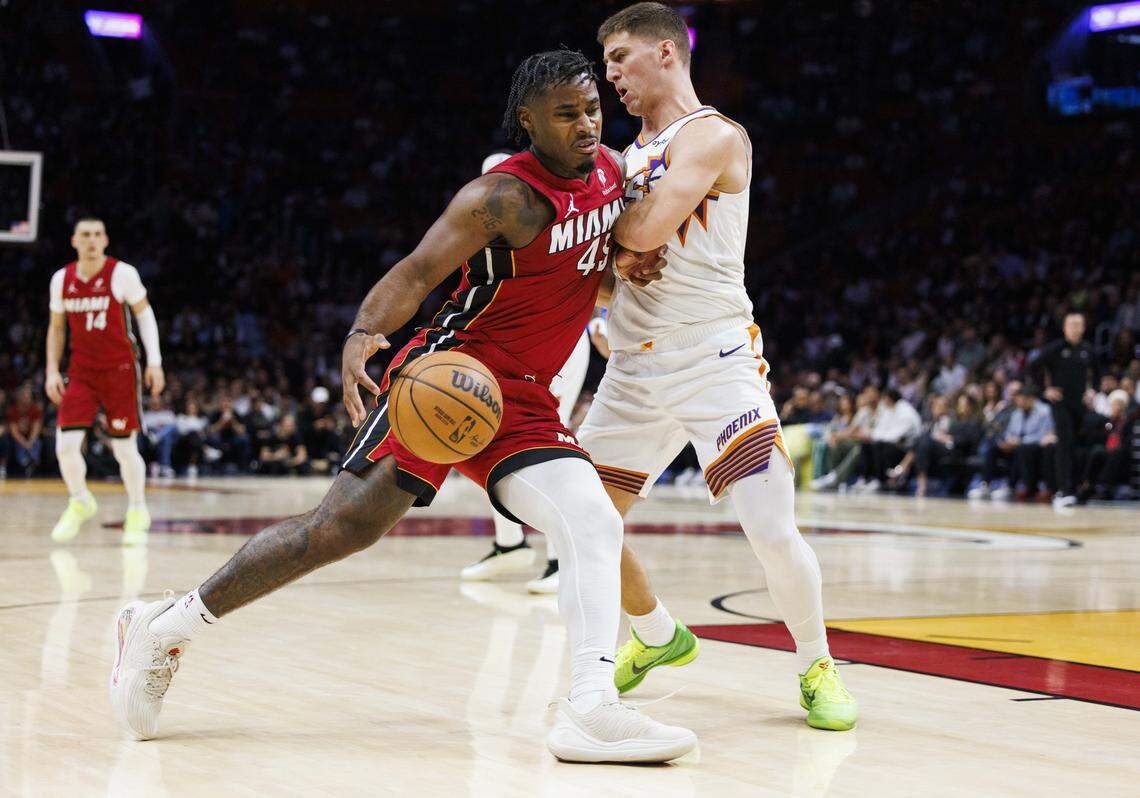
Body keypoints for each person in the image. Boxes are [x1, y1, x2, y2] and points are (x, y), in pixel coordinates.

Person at [108, 49, 696, 764]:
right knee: (339, 530)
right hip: (451, 380)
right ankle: (166, 625)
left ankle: (590, 707)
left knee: (594, 521)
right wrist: (363, 333)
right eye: (566, 115)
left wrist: (622, 268)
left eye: (592, 109)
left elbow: (576, 272)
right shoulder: (500, 198)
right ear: (528, 121)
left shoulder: (609, 175)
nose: (585, 125)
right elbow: (418, 271)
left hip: (526, 403)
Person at [582, 3, 857, 730]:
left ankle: (816, 664)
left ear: (667, 52)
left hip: (714, 356)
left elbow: (640, 230)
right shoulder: (617, 158)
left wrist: (618, 240)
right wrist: (617, 256)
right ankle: (654, 633)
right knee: (578, 520)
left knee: (770, 528)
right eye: (605, 63)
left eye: (619, 58)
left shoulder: (713, 137)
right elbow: (607, 274)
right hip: (633, 368)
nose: (609, 76)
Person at [458, 151, 592, 595]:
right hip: (513, 348)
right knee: (482, 434)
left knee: (545, 443)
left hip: (560, 344)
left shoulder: (550, 219)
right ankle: (510, 542)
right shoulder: (484, 228)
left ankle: (559, 558)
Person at [45, 217, 165, 544]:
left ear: (106, 240)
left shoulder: (122, 274)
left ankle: (138, 509)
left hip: (119, 370)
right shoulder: (62, 279)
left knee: (124, 448)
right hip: (82, 370)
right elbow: (57, 328)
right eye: (85, 235)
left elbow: (145, 314)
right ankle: (81, 501)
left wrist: (154, 361)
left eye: (97, 234)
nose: (92, 240)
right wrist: (52, 370)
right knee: (65, 446)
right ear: (74, 241)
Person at [1032, 312, 1099, 508]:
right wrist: (1044, 391)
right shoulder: (1055, 349)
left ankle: (1076, 487)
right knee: (1065, 443)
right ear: (1065, 328)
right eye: (1072, 324)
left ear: (1084, 327)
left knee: (1078, 445)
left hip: (1080, 405)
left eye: (1079, 324)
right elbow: (1032, 368)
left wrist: (1092, 390)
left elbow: (1097, 371)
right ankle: (1064, 490)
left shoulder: (1087, 349)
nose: (1076, 328)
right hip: (1061, 405)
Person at [5, 383, 44, 477]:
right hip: (18, 437)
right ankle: (24, 464)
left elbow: (36, 428)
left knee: (37, 443)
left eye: (28, 396)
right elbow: (14, 431)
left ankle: (33, 463)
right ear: (19, 397)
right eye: (24, 396)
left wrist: (30, 441)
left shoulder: (35, 409)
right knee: (18, 445)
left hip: (31, 436)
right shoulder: (12, 410)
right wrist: (24, 443)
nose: (27, 398)